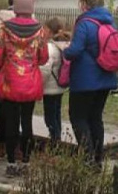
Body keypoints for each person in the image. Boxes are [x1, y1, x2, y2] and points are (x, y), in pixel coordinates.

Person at [0, 0, 48, 177]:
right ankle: (26, 162)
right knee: (27, 123)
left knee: (11, 124)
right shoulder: (40, 29)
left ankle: (10, 163)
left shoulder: (4, 28)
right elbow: (43, 58)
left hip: (10, 83)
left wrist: (8, 63)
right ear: (31, 7)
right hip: (30, 84)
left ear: (15, 7)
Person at [63, 0, 118, 168]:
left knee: (78, 117)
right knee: (95, 117)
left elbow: (76, 50)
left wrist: (66, 50)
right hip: (106, 78)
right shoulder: (109, 22)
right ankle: (97, 158)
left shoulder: (85, 22)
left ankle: (86, 157)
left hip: (85, 80)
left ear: (84, 3)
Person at [0, 0, 30, 159]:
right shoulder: (35, 23)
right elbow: (41, 55)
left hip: (6, 73)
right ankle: (21, 151)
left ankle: (4, 147)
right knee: (24, 116)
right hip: (28, 75)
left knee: (5, 113)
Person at [40, 17, 70, 146]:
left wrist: (39, 84)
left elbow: (45, 69)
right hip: (60, 86)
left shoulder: (50, 48)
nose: (43, 31)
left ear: (50, 31)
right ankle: (57, 138)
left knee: (50, 117)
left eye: (45, 29)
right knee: (56, 114)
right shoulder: (64, 45)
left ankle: (55, 142)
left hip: (50, 88)